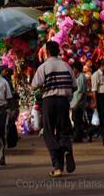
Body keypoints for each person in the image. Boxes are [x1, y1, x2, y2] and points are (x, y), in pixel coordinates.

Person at [31, 41, 77, 177]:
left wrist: (47, 85)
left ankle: (57, 163)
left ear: (48, 52)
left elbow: (35, 85)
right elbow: (74, 86)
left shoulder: (44, 67)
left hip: (49, 102)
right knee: (64, 131)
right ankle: (66, 148)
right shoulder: (66, 66)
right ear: (58, 51)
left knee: (48, 133)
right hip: (63, 101)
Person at [0, 76, 12, 167]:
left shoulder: (3, 82)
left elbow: (9, 98)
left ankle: (1, 158)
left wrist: (11, 111)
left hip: (0, 111)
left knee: (0, 134)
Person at [70, 61, 87, 143]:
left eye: (73, 68)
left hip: (78, 103)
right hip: (75, 102)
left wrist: (77, 103)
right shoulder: (77, 77)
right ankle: (77, 136)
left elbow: (82, 92)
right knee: (75, 119)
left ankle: (78, 137)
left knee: (77, 120)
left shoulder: (81, 77)